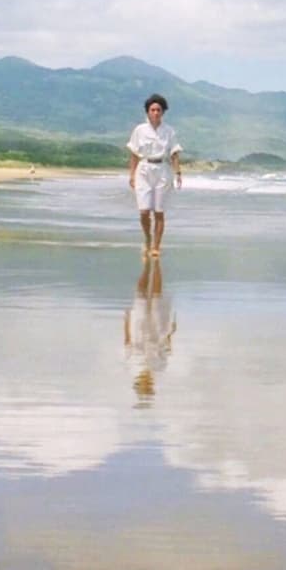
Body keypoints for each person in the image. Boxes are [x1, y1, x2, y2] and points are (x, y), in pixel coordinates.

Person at [126, 93, 183, 258]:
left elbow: (174, 153)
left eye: (159, 110)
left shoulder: (169, 131)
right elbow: (134, 154)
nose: (156, 113)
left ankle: (156, 246)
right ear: (147, 112)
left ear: (163, 112)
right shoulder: (139, 130)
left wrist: (178, 172)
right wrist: (131, 175)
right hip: (144, 170)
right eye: (152, 110)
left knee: (159, 212)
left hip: (163, 170)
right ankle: (148, 238)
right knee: (144, 211)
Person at [124, 258, 176, 407]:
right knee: (155, 296)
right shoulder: (159, 367)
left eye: (145, 387)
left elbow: (127, 343)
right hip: (156, 331)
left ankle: (148, 266)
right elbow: (167, 347)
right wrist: (171, 330)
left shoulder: (132, 366)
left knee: (142, 296)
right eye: (148, 387)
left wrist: (127, 320)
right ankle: (152, 265)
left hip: (139, 330)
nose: (147, 384)